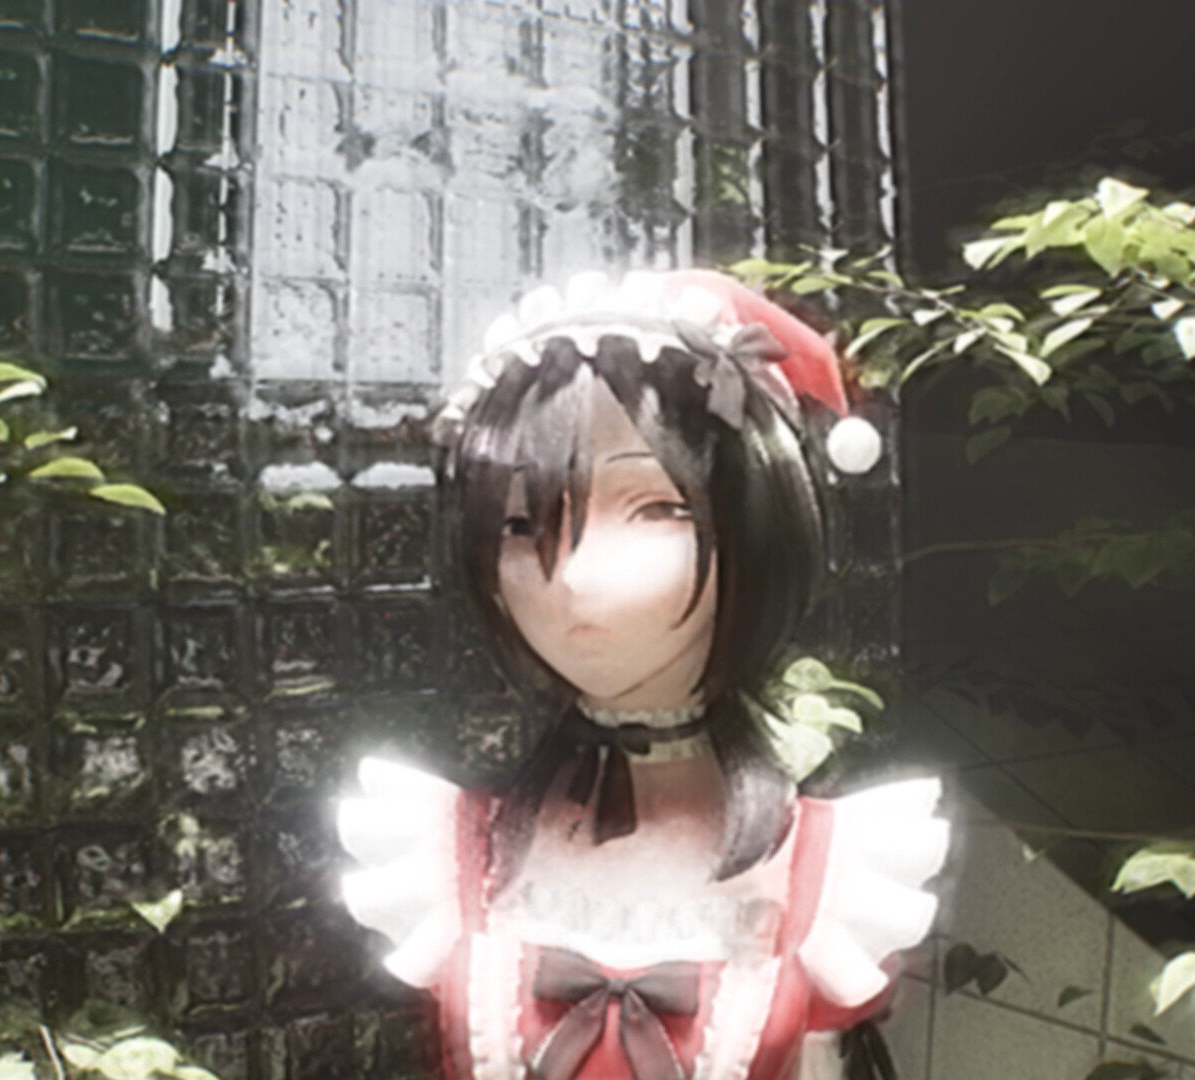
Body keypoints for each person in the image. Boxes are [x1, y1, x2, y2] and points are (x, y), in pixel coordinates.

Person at [336, 269, 947, 1080]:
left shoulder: (834, 875)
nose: (572, 574)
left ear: (762, 528)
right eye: (521, 523)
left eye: (657, 507)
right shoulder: (445, 854)